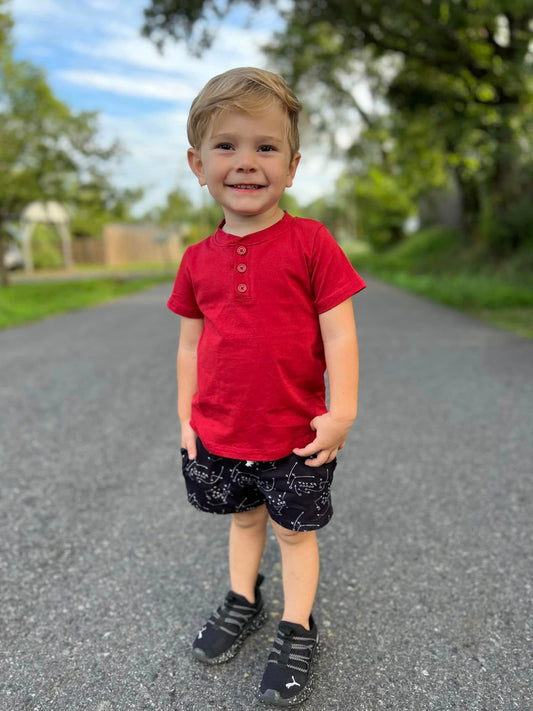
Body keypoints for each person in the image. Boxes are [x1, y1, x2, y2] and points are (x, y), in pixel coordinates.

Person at [167, 66, 366, 706]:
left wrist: (342, 413)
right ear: (198, 164)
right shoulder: (197, 260)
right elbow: (190, 346)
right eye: (227, 146)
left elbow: (340, 335)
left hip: (295, 435)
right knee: (245, 519)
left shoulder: (310, 243)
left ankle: (296, 624)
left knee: (294, 533)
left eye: (265, 147)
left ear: (293, 163)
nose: (246, 162)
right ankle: (244, 599)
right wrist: (185, 419)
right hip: (224, 430)